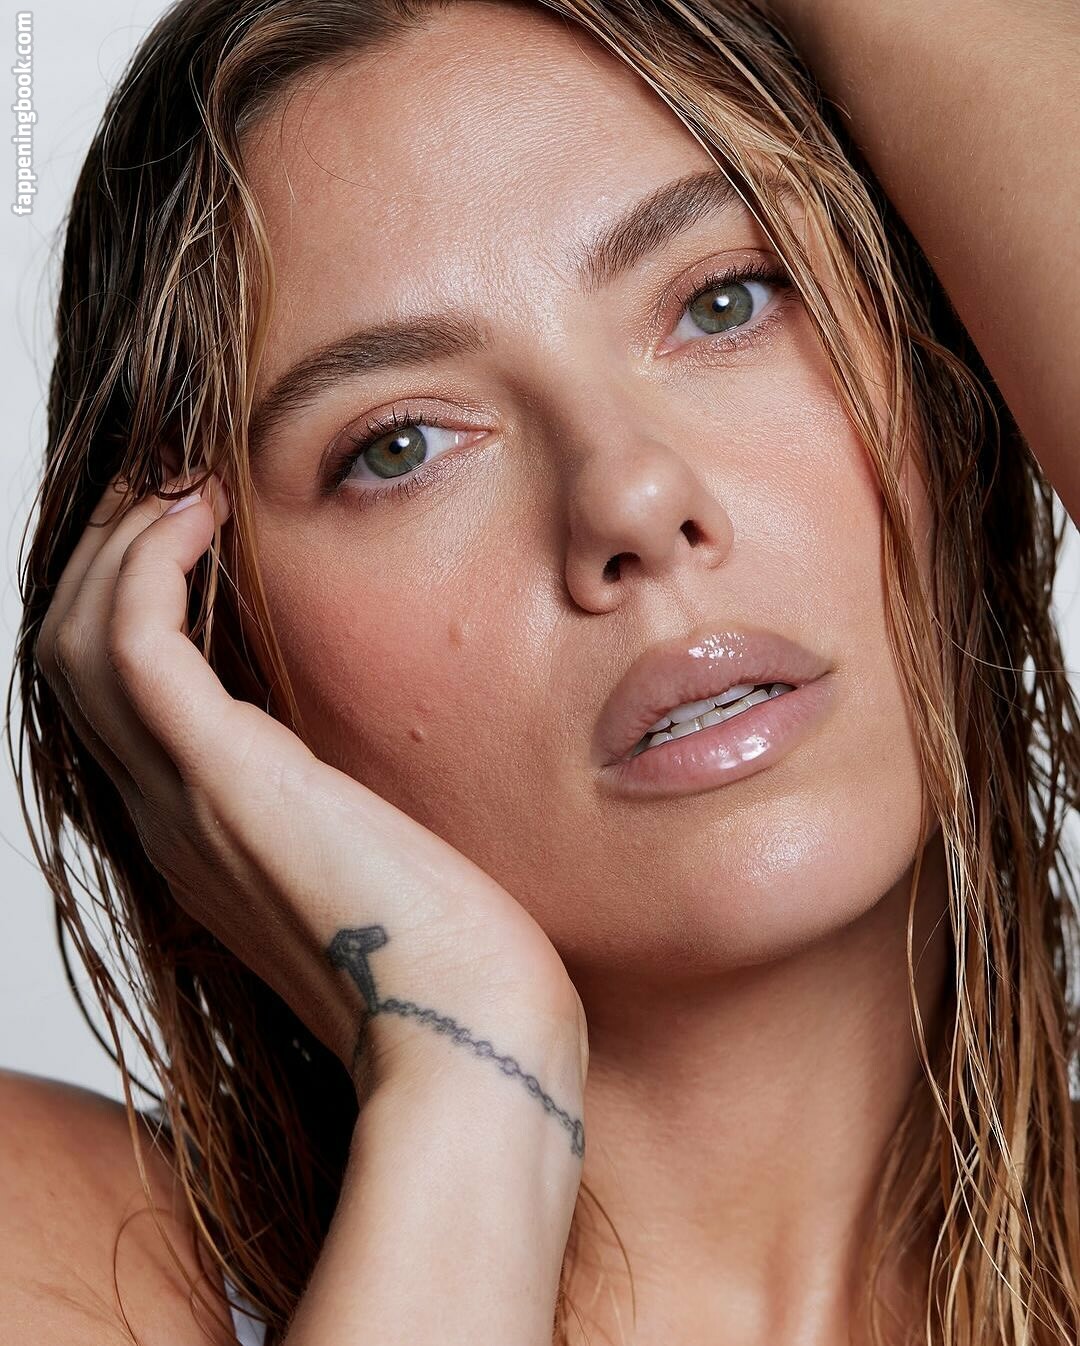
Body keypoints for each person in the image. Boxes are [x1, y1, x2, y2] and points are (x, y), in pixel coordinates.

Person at [2, 0, 1078, 1341]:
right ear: (207, 648)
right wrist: (468, 1078)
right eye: (400, 445)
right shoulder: (57, 1244)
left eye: (726, 302)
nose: (631, 497)